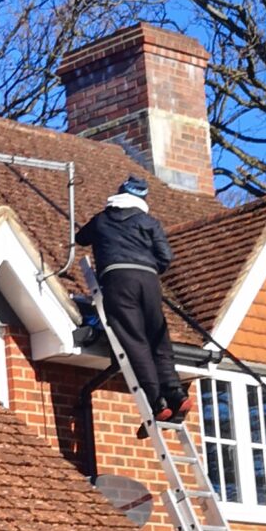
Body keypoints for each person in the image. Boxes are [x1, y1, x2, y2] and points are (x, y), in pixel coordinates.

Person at [74, 177, 188, 421]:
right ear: (142, 199)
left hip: (117, 279)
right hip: (148, 280)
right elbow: (165, 256)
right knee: (158, 337)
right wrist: (147, 267)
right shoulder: (149, 222)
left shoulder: (101, 220)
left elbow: (81, 238)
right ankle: (176, 392)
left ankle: (158, 402)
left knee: (135, 340)